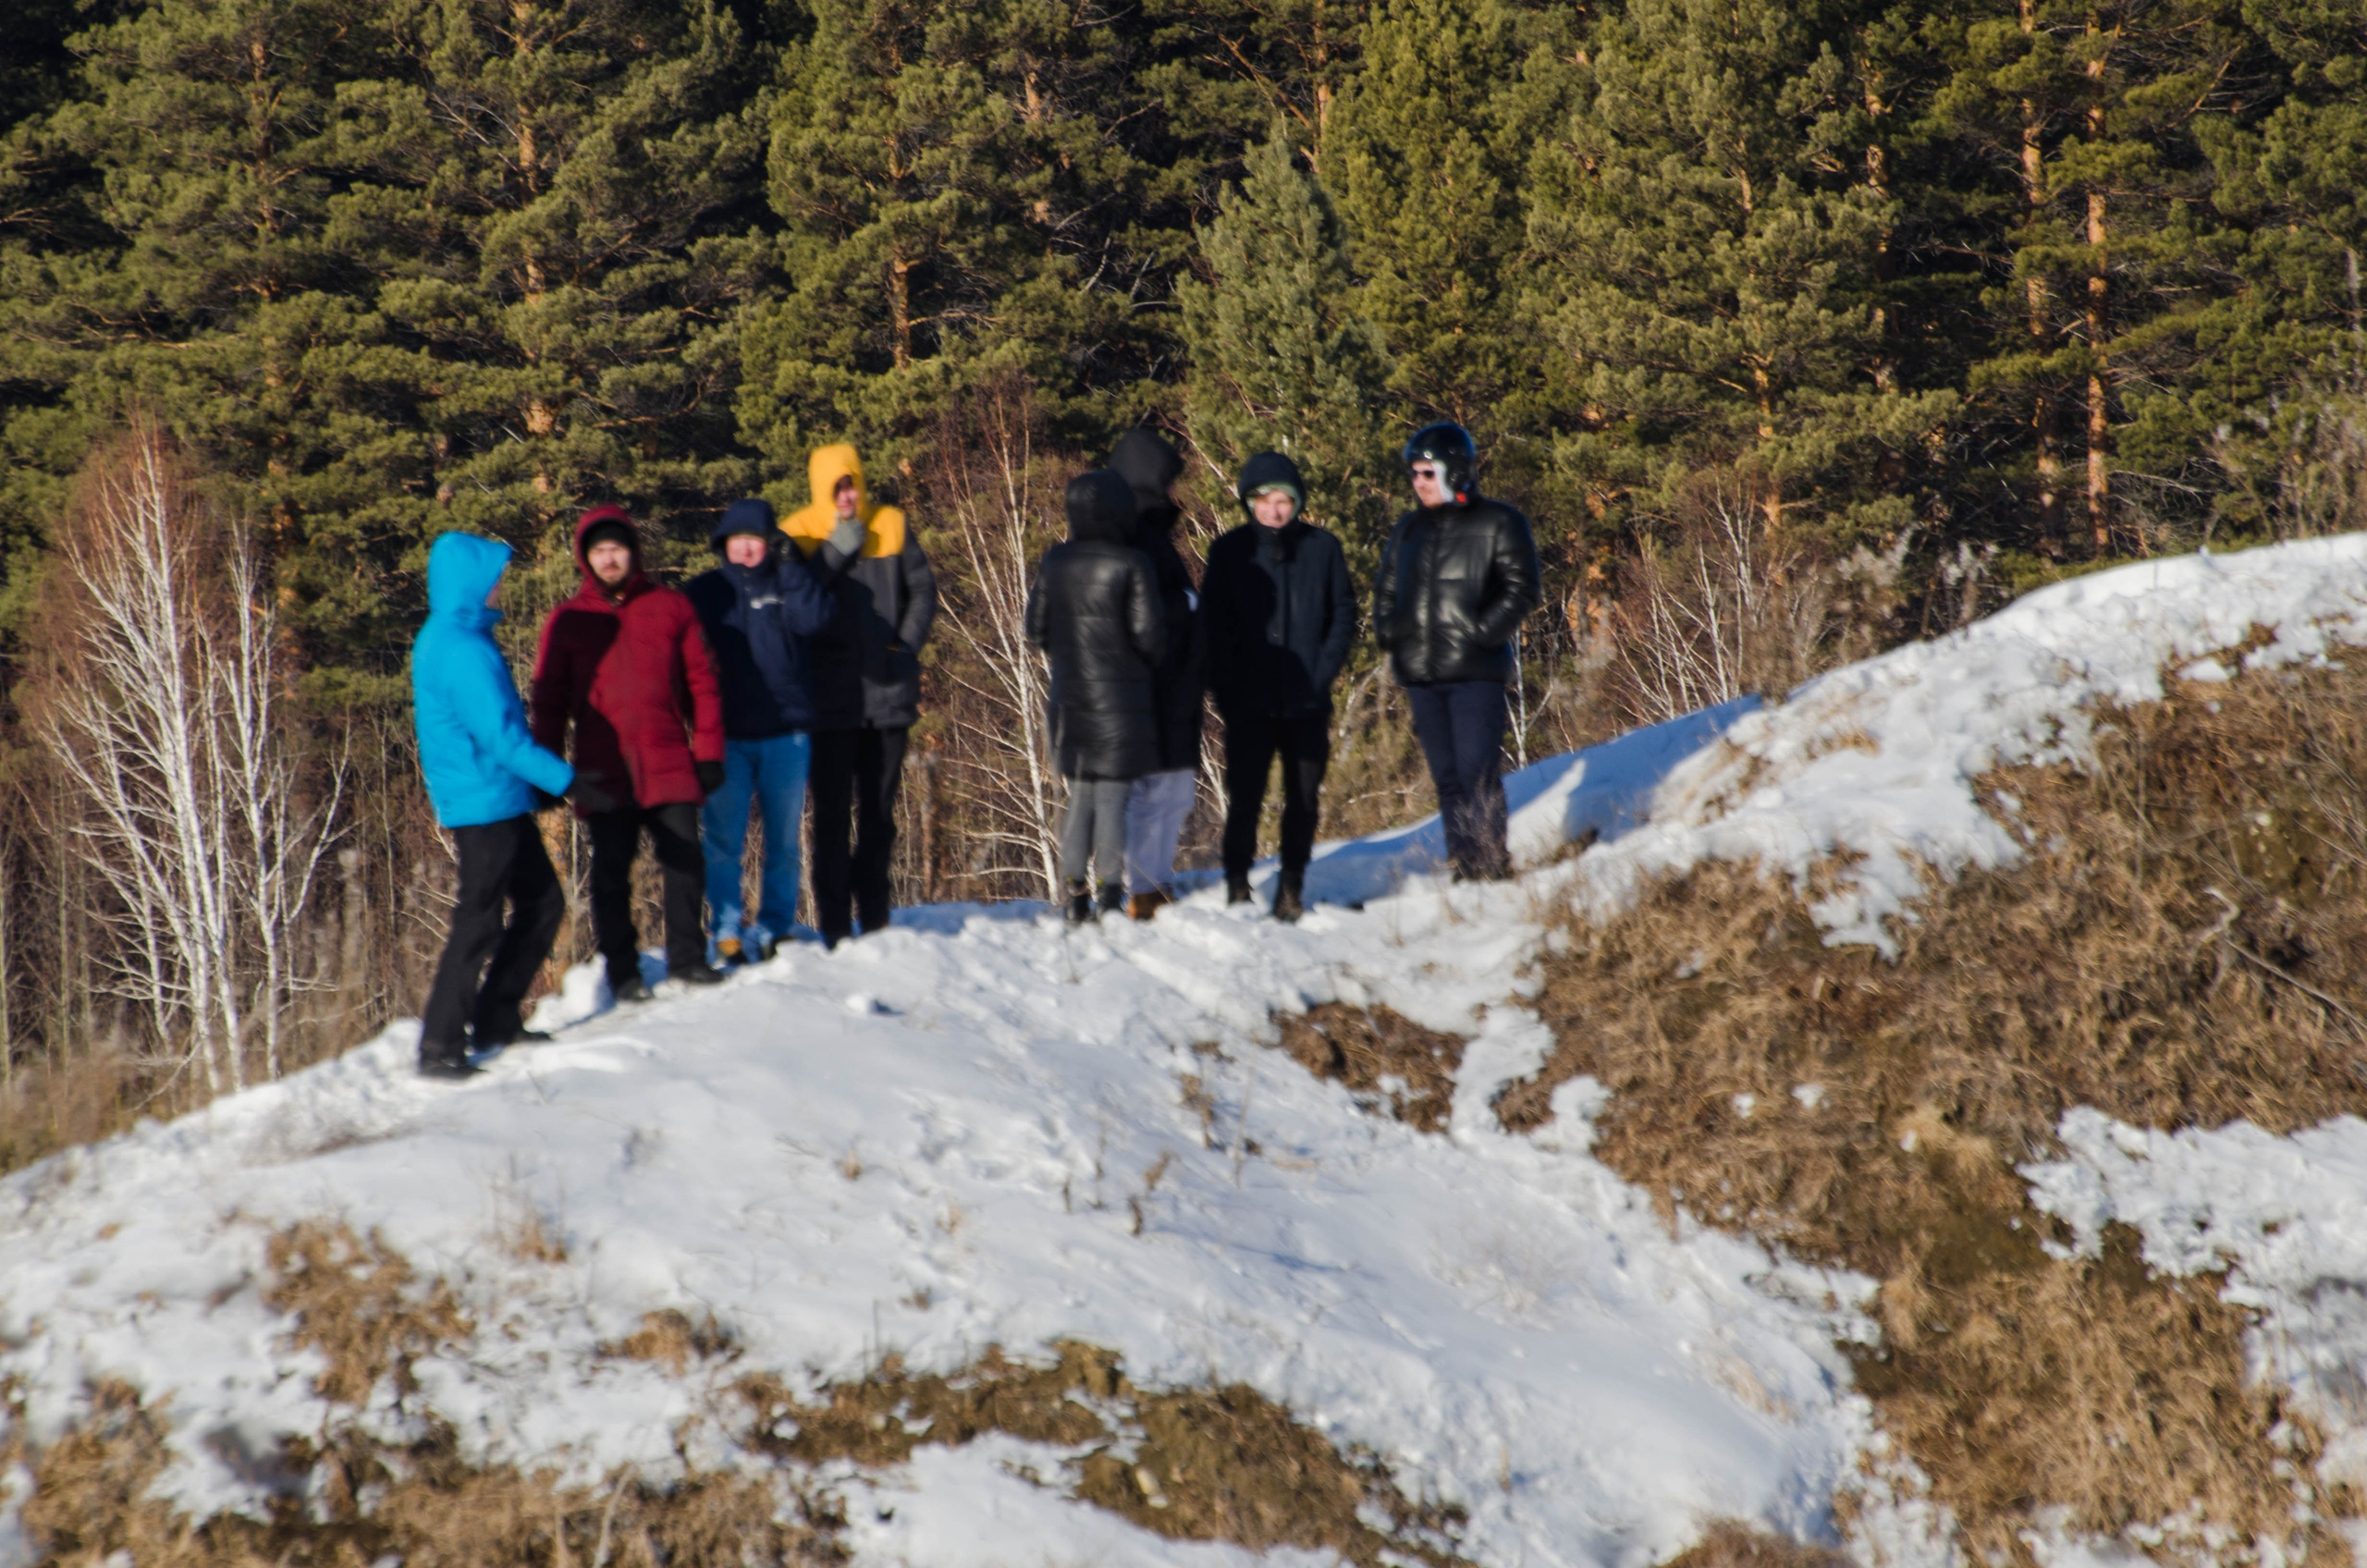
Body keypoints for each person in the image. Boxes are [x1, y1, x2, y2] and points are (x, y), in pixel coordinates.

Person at [532, 505, 729, 1000]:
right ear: (586, 558)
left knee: (685, 863)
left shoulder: (671, 607)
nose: (609, 559)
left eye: (617, 548)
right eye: (599, 551)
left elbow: (703, 684)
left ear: (633, 552)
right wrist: (547, 774)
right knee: (611, 875)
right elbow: (549, 702)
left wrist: (708, 753)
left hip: (667, 760)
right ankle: (624, 974)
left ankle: (687, 960)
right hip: (603, 768)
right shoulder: (568, 620)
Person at [409, 531, 581, 1080]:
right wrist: (567, 781)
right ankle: (440, 1045)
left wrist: (539, 786)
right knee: (478, 921)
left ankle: (496, 1020)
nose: (501, 587)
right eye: (495, 579)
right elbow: (502, 738)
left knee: (543, 902)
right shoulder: (461, 650)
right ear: (470, 584)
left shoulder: (457, 637)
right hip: (483, 805)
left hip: (496, 797)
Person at [779, 445, 938, 947]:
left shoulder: (891, 523)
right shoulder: (796, 533)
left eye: (851, 485)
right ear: (821, 489)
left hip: (887, 696)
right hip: (828, 703)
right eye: (837, 487)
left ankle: (874, 915)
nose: (847, 495)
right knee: (830, 819)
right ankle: (832, 922)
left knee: (878, 816)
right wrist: (834, 550)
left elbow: (923, 591)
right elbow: (795, 603)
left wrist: (904, 647)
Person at [1370, 423, 1542, 882]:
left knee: (1475, 772)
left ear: (1456, 471)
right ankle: (1466, 868)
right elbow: (1385, 592)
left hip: (1474, 673)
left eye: (1428, 473)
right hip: (1421, 675)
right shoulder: (1408, 529)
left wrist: (1481, 633)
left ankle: (1491, 866)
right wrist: (1391, 632)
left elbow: (1523, 588)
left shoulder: (1499, 522)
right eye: (1414, 474)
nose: (1418, 482)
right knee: (1447, 779)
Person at [684, 498, 845, 964]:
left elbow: (816, 619)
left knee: (784, 843)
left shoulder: (788, 583)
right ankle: (727, 932)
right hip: (726, 737)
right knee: (722, 842)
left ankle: (776, 927)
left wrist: (792, 566)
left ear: (770, 544)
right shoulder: (705, 591)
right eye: (738, 540)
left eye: (755, 540)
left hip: (786, 734)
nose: (746, 549)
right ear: (723, 543)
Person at [1201, 452, 1356, 922]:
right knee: (1245, 797)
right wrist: (1226, 690)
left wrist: (1321, 673)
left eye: (1283, 500)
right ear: (1250, 502)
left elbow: (1343, 614)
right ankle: (1237, 883)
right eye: (1264, 500)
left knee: (1303, 799)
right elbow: (1212, 626)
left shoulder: (1323, 548)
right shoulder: (1229, 551)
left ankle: (1291, 885)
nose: (1274, 509)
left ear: (1297, 502)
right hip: (1248, 703)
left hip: (1307, 703)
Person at [1025, 470, 1166, 923]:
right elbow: (1150, 637)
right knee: (1112, 798)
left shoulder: (1054, 561)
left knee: (1081, 795)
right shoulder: (1132, 563)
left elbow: (1034, 629)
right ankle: (1108, 894)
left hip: (1068, 700)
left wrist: (1069, 651)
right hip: (1120, 702)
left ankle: (1074, 894)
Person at [1105, 428, 1205, 920]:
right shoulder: (1131, 537)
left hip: (1172, 685)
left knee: (1172, 790)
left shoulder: (1150, 535)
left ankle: (1153, 883)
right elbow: (1132, 609)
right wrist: (1186, 604)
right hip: (1152, 687)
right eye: (1167, 482)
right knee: (1152, 792)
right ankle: (1141, 889)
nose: (1174, 492)